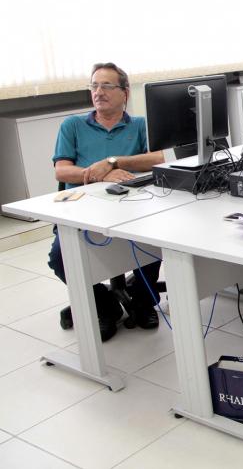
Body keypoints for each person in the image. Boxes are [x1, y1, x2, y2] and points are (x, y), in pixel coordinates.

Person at [50, 63, 166, 341]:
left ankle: (142, 301)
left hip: (130, 207)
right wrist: (101, 175)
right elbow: (62, 170)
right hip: (81, 209)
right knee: (59, 259)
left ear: (125, 93)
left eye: (106, 86)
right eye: (94, 86)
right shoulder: (73, 125)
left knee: (155, 243)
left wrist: (114, 162)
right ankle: (104, 305)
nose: (98, 92)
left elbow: (159, 157)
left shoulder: (139, 125)